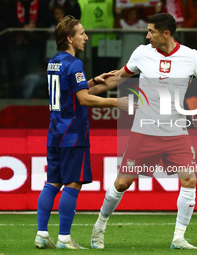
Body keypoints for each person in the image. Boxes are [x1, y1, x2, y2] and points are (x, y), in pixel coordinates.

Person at [89, 13, 197, 250]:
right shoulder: (142, 53)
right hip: (144, 131)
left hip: (177, 132)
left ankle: (179, 238)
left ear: (166, 33)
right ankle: (99, 227)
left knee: (190, 179)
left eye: (151, 31)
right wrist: (83, 90)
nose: (147, 35)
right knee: (121, 184)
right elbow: (117, 78)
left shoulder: (191, 57)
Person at [34, 15, 132, 250]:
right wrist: (116, 103)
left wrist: (91, 80)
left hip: (55, 132)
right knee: (73, 184)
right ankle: (65, 239)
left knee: (52, 183)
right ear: (69, 38)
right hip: (73, 134)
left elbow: (71, 89)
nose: (86, 38)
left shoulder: (54, 62)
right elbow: (83, 99)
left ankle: (41, 234)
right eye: (81, 34)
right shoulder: (74, 63)